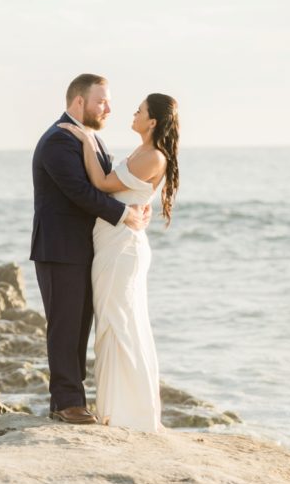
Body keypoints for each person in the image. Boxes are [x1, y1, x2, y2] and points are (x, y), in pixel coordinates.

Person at [30, 73, 150, 425]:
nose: (109, 108)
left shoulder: (90, 139)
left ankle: (74, 400)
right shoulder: (57, 140)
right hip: (60, 248)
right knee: (65, 325)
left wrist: (138, 200)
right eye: (101, 101)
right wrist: (126, 214)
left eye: (108, 101)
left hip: (86, 249)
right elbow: (80, 193)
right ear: (79, 101)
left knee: (80, 325)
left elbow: (108, 185)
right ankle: (65, 403)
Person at [57, 93, 179, 432]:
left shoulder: (153, 156)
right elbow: (123, 192)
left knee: (121, 325)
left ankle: (131, 416)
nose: (134, 113)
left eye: (140, 111)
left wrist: (85, 138)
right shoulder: (142, 152)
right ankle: (114, 409)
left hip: (122, 249)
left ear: (152, 122)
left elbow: (102, 184)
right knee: (112, 325)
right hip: (112, 244)